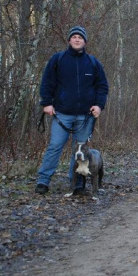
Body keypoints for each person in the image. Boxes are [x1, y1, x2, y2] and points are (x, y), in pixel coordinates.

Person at [35, 26, 109, 195]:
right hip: (62, 114)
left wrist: (99, 105)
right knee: (54, 146)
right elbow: (47, 82)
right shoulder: (58, 59)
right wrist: (47, 103)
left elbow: (102, 86)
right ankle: (43, 181)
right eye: (74, 37)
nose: (77, 39)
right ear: (69, 40)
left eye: (80, 37)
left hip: (86, 116)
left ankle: (77, 184)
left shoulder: (93, 62)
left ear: (85, 41)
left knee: (81, 151)